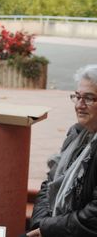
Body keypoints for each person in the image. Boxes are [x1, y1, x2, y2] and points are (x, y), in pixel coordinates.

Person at [27, 65, 97, 237]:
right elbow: (51, 181)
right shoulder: (77, 133)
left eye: (88, 98)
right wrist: (40, 222)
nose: (80, 105)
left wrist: (47, 228)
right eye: (77, 96)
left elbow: (94, 216)